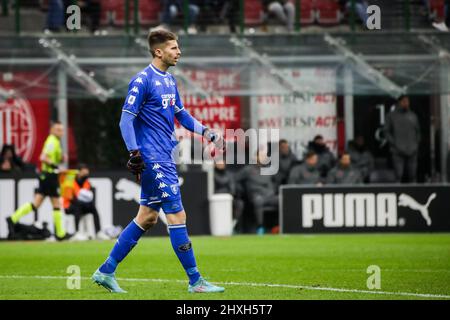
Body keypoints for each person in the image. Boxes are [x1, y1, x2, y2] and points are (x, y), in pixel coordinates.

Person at [92, 30, 224, 294]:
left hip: (165, 155)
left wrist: (207, 132)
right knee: (177, 214)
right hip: (153, 158)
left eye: (178, 47)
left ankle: (106, 271)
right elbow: (125, 119)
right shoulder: (142, 81)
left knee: (148, 217)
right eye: (174, 48)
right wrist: (134, 152)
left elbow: (181, 114)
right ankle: (196, 281)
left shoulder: (170, 80)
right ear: (158, 51)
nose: (179, 52)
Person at [6, 121, 71, 240]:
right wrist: (56, 167)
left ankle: (12, 218)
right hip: (49, 176)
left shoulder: (55, 141)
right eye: (58, 129)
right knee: (56, 203)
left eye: (61, 130)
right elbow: (43, 157)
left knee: (36, 203)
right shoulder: (52, 141)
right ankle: (60, 234)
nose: (60, 132)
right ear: (52, 130)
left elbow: (51, 158)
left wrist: (61, 159)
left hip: (46, 176)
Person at [236, 149, 279, 235]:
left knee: (282, 199)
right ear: (256, 157)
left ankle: (278, 225)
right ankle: (260, 227)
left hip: (269, 196)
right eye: (262, 155)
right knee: (258, 201)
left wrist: (272, 190)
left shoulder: (269, 170)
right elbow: (235, 179)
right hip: (256, 196)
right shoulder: (247, 170)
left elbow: (274, 182)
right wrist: (241, 191)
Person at [63, 164, 110, 240]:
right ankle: (77, 232)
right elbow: (70, 198)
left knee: (93, 207)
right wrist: (82, 201)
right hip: (69, 206)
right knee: (77, 207)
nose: (86, 174)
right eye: (84, 172)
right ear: (79, 172)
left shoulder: (86, 182)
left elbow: (89, 196)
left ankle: (98, 232)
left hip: (81, 205)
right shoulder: (70, 181)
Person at [385, 95, 421, 183]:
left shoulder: (413, 116)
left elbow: (418, 131)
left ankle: (415, 194)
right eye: (404, 101)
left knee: (413, 175)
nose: (406, 103)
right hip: (397, 151)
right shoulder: (391, 116)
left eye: (407, 101)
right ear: (399, 102)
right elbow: (386, 132)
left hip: (412, 150)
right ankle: (397, 192)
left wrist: (416, 144)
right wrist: (394, 143)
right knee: (398, 175)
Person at [214, 160, 244, 231]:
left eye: (222, 162)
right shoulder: (212, 174)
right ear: (214, 164)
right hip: (217, 200)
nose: (221, 164)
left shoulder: (229, 174)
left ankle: (233, 224)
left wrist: (230, 195)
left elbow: (232, 188)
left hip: (230, 198)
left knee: (239, 204)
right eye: (219, 162)